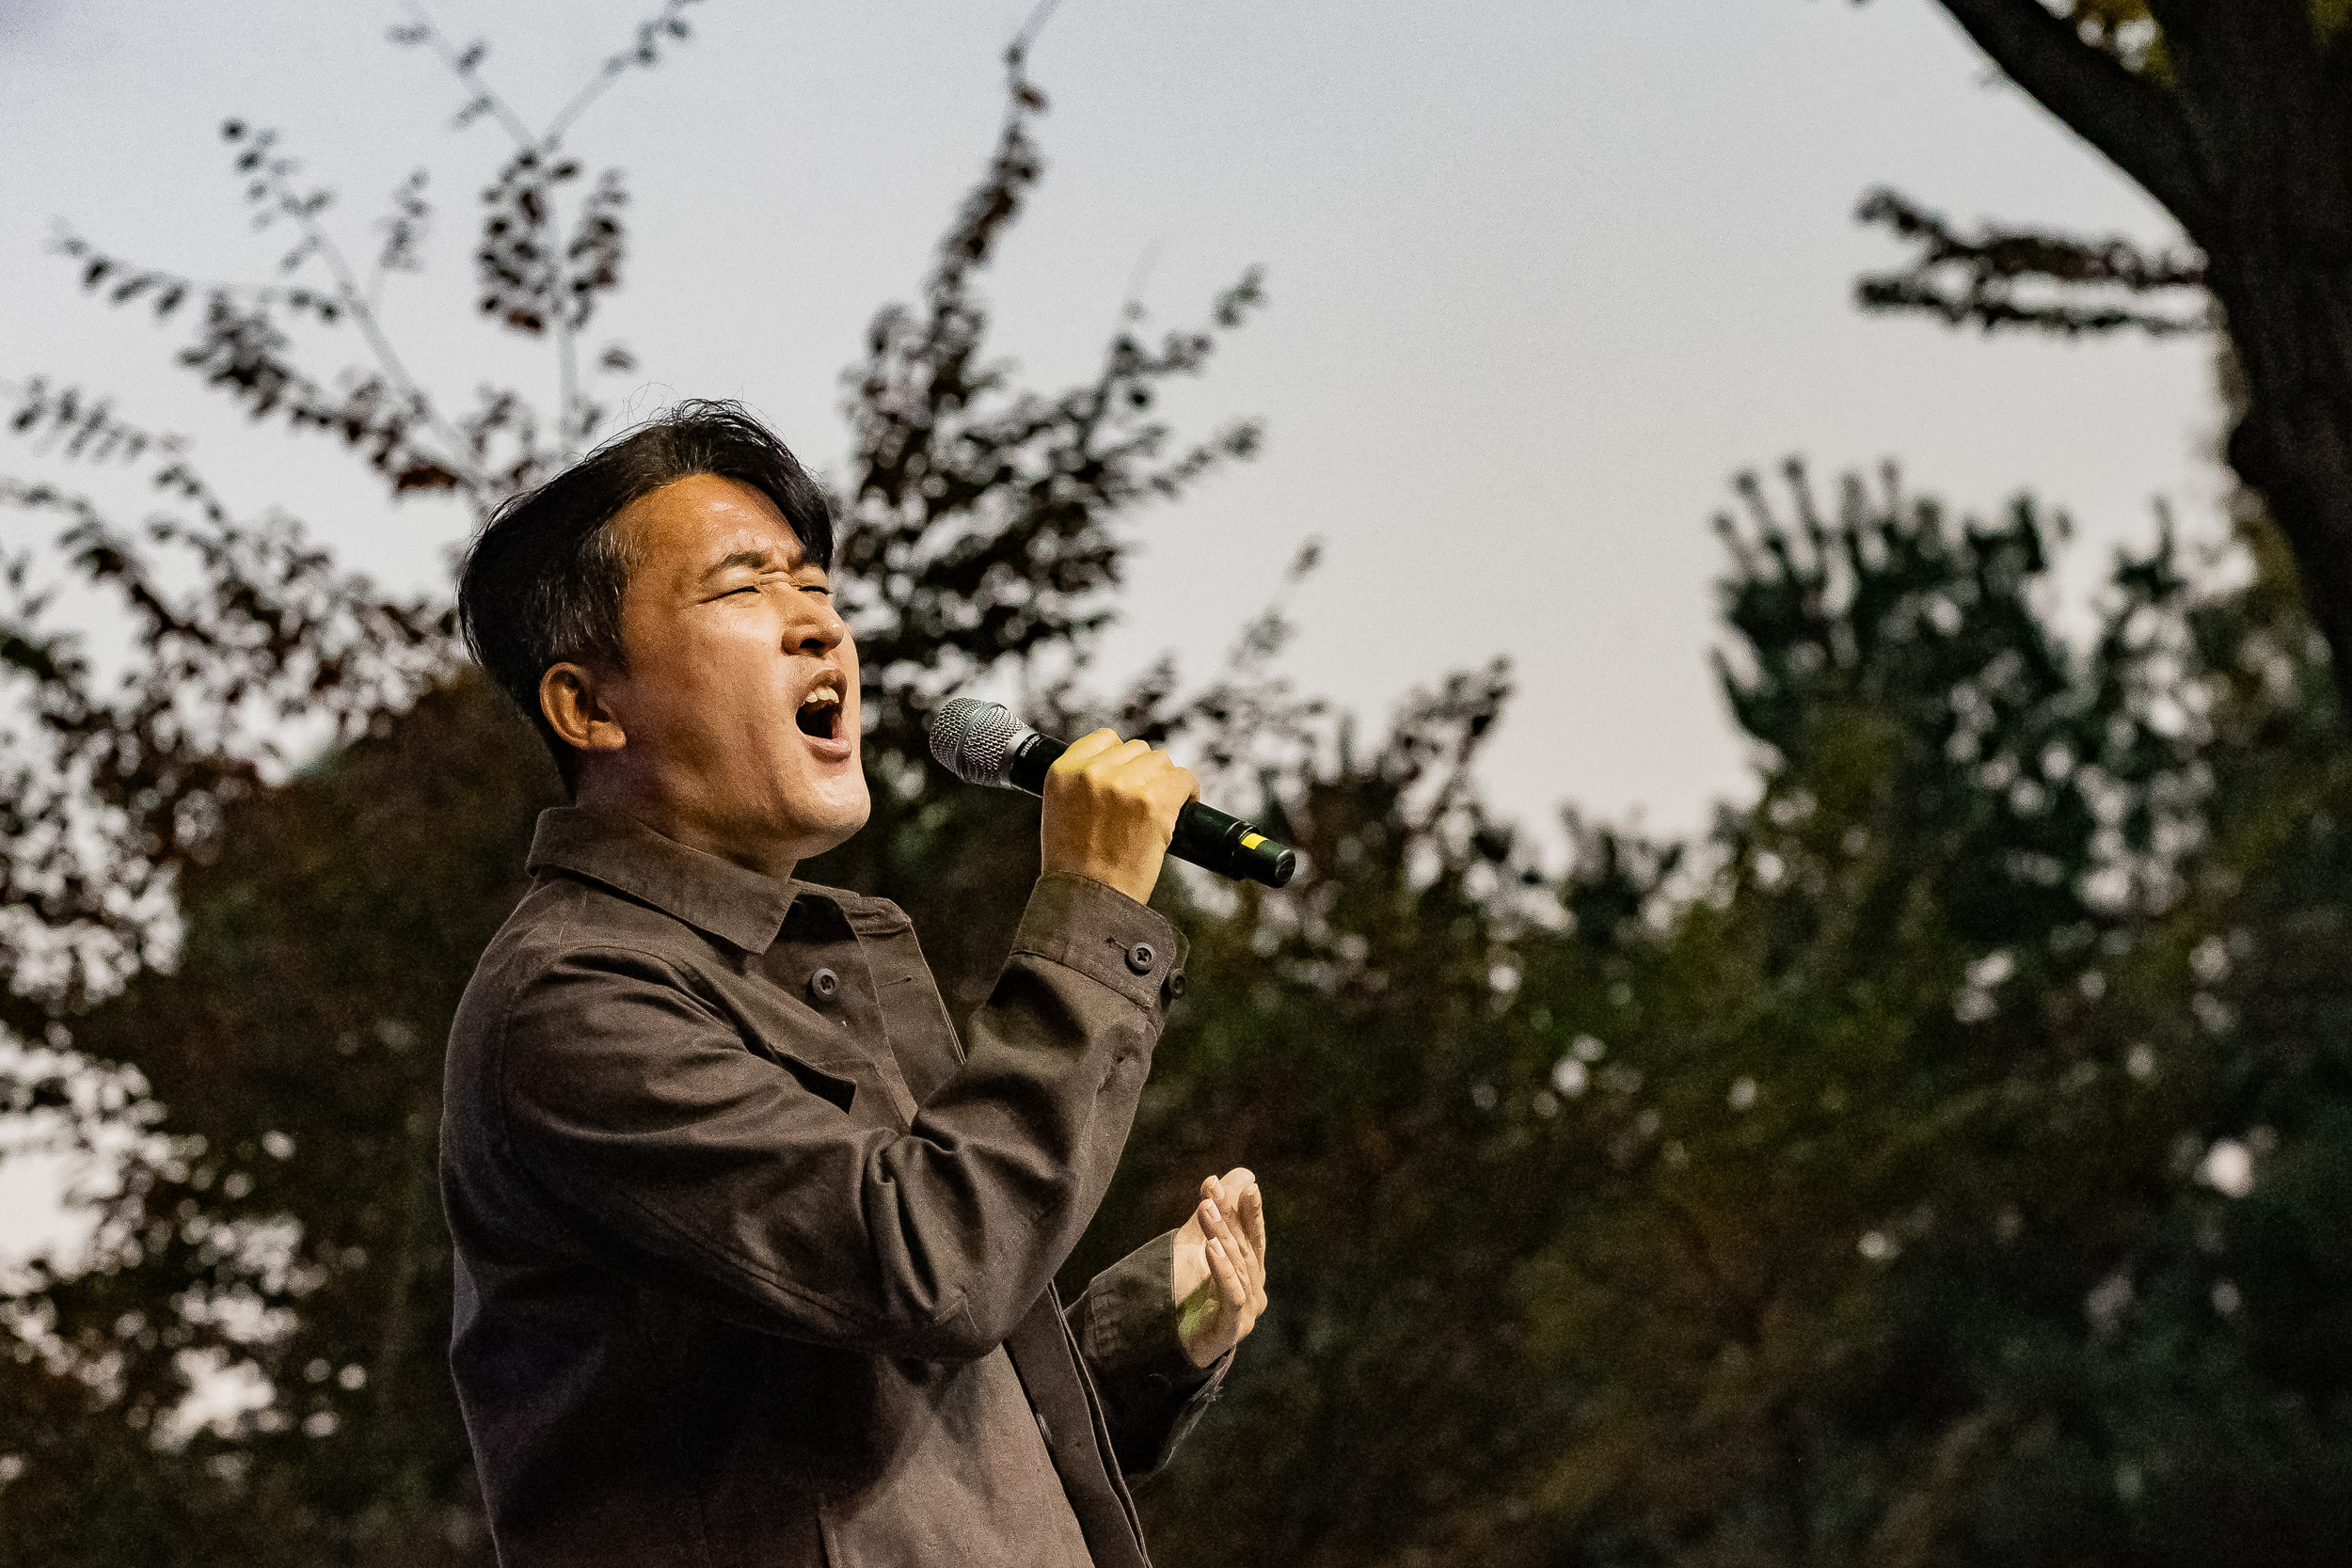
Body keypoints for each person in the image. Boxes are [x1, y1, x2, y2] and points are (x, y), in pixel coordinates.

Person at [441, 401, 1268, 1567]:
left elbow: (886, 1472)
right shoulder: (577, 1000)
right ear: (588, 704)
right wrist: (1090, 910)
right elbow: (940, 1268)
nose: (816, 629)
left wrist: (1143, 1342)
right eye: (743, 590)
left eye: (818, 590)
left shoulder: (800, 969)